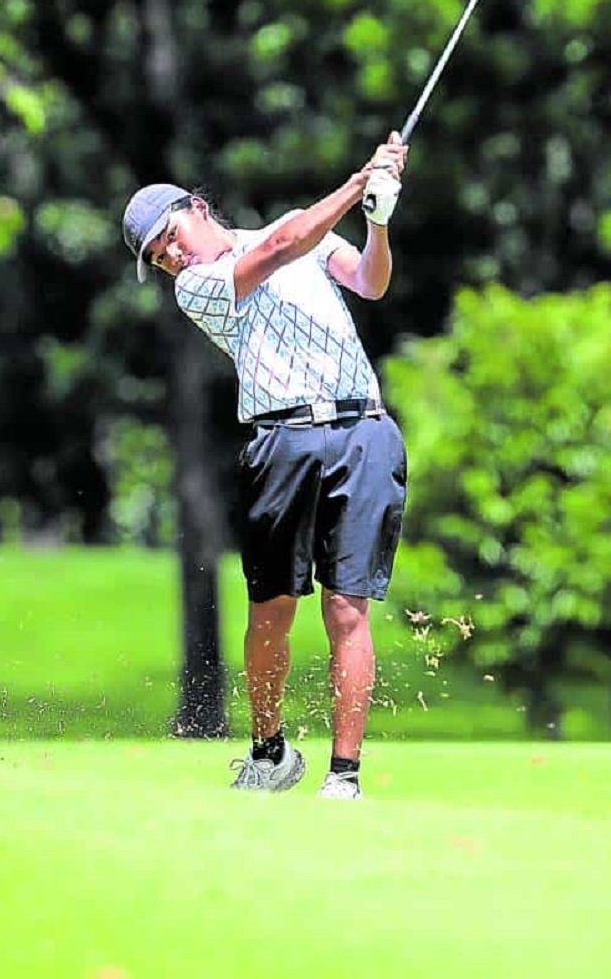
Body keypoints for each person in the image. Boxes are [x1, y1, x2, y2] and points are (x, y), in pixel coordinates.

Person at [121, 134, 409, 800]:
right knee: (273, 609)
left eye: (169, 237)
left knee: (348, 609)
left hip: (363, 429)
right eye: (158, 257)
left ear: (197, 208)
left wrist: (379, 216)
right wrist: (357, 180)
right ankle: (269, 751)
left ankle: (344, 775)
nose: (171, 256)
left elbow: (369, 280)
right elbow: (284, 249)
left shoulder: (296, 227)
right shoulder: (199, 286)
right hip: (280, 440)